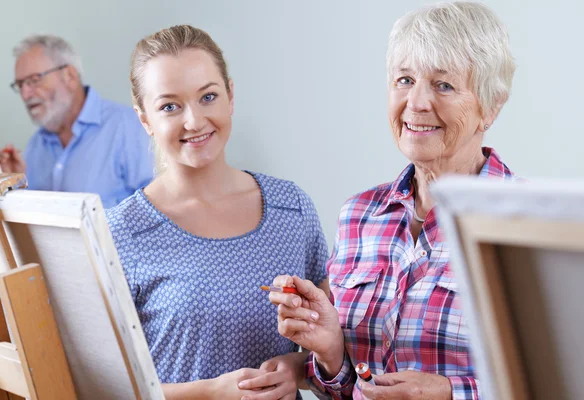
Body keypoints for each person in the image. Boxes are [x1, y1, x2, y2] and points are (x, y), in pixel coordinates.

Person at [266, 2, 517, 399]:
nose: (416, 103)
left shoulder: (525, 224)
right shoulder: (359, 215)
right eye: (404, 80)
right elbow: (348, 388)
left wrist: (451, 393)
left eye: (443, 85)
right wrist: (330, 352)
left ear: (491, 105)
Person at [106, 25, 329, 400]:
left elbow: (332, 342)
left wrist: (298, 368)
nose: (193, 121)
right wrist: (210, 392)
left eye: (207, 96)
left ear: (230, 96)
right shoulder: (118, 233)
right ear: (144, 119)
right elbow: (99, 386)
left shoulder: (292, 208)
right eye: (169, 107)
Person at [1, 34, 153, 208]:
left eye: (34, 80)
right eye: (20, 85)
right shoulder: (35, 146)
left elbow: (159, 212)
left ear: (70, 76)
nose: (25, 94)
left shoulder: (130, 127)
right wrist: (14, 185)